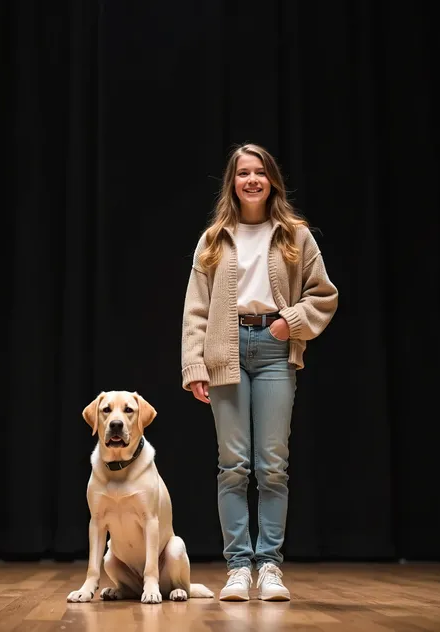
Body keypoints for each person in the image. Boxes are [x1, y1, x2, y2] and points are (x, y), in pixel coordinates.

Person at [181, 143, 338, 602]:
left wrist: (291, 322)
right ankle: (237, 568)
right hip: (225, 351)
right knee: (233, 466)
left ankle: (269, 566)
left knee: (272, 466)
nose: (252, 180)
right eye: (243, 173)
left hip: (273, 350)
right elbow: (196, 309)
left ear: (272, 181)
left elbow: (322, 295)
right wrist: (195, 365)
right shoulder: (213, 239)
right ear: (232, 182)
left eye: (260, 173)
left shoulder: (295, 235)